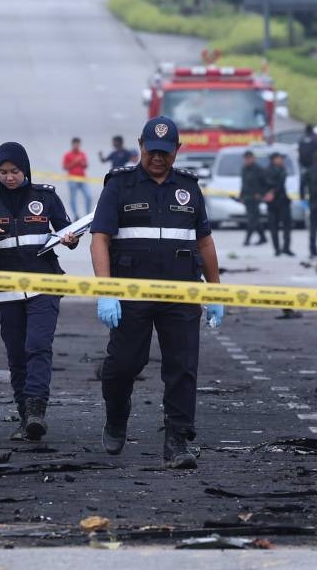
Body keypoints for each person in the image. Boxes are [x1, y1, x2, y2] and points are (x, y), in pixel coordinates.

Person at [90, 116, 223, 470]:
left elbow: (204, 241)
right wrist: (105, 292)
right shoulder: (120, 186)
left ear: (177, 151)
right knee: (123, 366)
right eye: (152, 151)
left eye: (166, 153)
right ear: (141, 146)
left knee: (183, 367)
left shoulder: (189, 188)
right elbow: (100, 238)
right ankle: (117, 416)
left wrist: (215, 292)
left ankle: (177, 441)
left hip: (181, 295)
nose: (158, 159)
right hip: (131, 293)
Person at [0, 142, 79, 442]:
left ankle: (36, 413)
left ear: (25, 170)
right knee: (17, 355)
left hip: (44, 284)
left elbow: (69, 232)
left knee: (38, 346)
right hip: (5, 290)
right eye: (3, 172)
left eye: (14, 171)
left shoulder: (45, 197)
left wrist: (70, 239)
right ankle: (23, 417)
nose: (9, 177)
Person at [264, 152, 294, 256]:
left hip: (283, 201)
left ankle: (286, 248)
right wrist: (270, 192)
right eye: (279, 158)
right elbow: (268, 184)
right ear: (273, 160)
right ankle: (277, 249)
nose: (281, 160)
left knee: (287, 226)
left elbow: (281, 185)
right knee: (274, 227)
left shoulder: (282, 169)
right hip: (273, 203)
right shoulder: (268, 171)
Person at [239, 150, 267, 246]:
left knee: (252, 219)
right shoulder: (244, 169)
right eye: (245, 159)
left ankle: (247, 239)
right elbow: (243, 184)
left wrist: (261, 194)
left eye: (249, 158)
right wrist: (241, 196)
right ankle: (263, 238)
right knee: (255, 219)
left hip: (255, 198)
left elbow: (265, 184)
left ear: (253, 158)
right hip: (247, 197)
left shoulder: (259, 170)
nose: (247, 160)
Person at [62, 137, 92, 220]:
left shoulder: (82, 154)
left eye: (78, 144)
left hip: (82, 179)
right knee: (73, 199)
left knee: (89, 196)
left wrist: (81, 162)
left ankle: (88, 215)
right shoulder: (68, 155)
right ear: (72, 144)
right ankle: (76, 215)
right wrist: (74, 161)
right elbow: (65, 167)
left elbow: (86, 165)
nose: (76, 146)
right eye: (75, 144)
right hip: (72, 179)